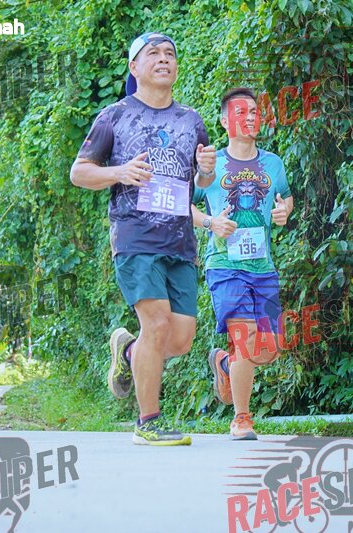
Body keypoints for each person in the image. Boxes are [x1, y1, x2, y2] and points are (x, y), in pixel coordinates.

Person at [70, 32, 217, 446]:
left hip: (180, 242)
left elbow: (201, 182)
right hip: (135, 237)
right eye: (153, 53)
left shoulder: (191, 120)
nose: (163, 59)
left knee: (180, 339)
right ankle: (148, 421)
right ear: (134, 67)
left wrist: (206, 170)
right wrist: (119, 172)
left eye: (170, 53)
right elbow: (79, 172)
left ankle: (130, 352)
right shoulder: (114, 116)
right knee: (156, 322)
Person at [191, 88, 294, 440]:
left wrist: (283, 212)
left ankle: (224, 363)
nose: (250, 117)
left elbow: (286, 198)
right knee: (245, 336)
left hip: (262, 267)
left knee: (269, 349)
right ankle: (242, 418)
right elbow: (183, 204)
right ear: (225, 121)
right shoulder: (212, 165)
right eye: (241, 112)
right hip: (224, 264)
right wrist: (211, 223)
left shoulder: (273, 163)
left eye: (254, 112)